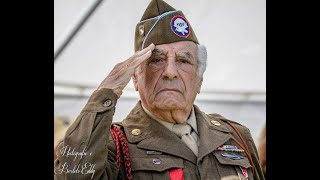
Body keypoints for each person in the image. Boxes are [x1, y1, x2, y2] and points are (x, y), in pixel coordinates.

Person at [54, 0, 265, 179]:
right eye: (156, 60)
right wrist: (106, 93)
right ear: (135, 77)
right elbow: (71, 174)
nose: (170, 72)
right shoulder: (113, 144)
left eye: (183, 60)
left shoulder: (235, 136)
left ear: (199, 79)